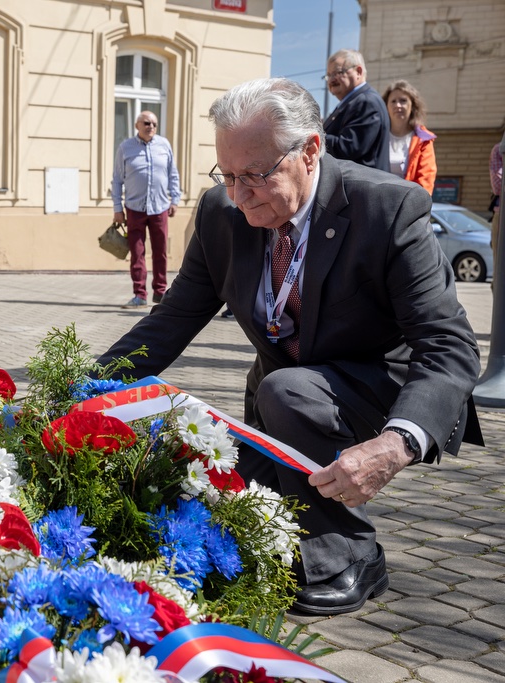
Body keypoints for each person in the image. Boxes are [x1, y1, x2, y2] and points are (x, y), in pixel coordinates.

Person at [98, 78, 482, 617]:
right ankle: (305, 532)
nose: (239, 193)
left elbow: (449, 346)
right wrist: (83, 383)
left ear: (309, 150)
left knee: (288, 394)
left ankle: (352, 555)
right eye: (228, 175)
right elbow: (173, 319)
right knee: (232, 502)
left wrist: (397, 443)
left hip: (380, 394)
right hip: (282, 400)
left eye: (256, 174)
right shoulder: (220, 214)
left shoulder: (388, 209)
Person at [111, 110, 182, 308]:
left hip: (160, 207)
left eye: (154, 124)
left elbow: (172, 174)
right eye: (146, 123)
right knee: (137, 252)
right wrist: (117, 208)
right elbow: (117, 180)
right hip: (135, 208)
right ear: (137, 126)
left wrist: (175, 199)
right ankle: (139, 294)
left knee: (160, 252)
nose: (150, 126)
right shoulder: (125, 147)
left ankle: (160, 293)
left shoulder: (164, 145)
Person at [322, 49, 390, 172]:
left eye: (337, 73)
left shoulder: (366, 102)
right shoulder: (351, 102)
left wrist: (314, 136)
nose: (331, 80)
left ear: (358, 71)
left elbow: (348, 148)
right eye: (328, 75)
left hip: (363, 187)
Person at [382, 80, 437, 194]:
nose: (398, 105)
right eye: (393, 101)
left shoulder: (423, 139)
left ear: (412, 105)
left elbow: (426, 179)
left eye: (403, 101)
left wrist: (413, 206)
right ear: (386, 106)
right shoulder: (377, 135)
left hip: (408, 204)